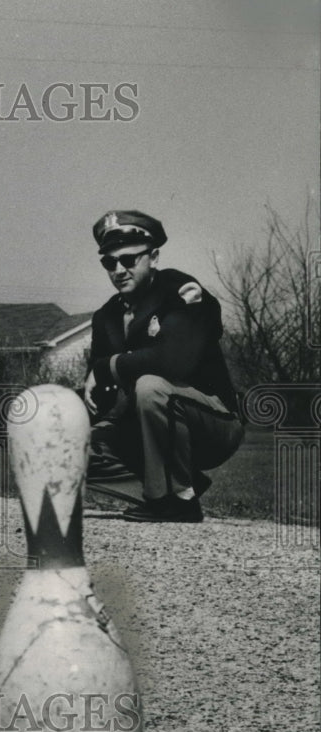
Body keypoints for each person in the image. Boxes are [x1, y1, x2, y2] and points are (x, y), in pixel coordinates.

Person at [84, 209, 244, 522]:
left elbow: (174, 361)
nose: (119, 269)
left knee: (151, 387)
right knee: (64, 441)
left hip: (212, 424)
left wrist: (106, 366)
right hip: (150, 427)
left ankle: (178, 501)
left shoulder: (178, 291)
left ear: (153, 258)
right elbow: (100, 394)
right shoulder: (105, 317)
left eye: (129, 260)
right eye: (109, 262)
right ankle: (172, 486)